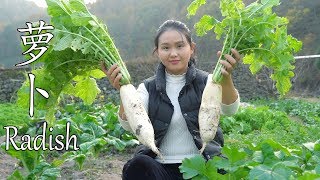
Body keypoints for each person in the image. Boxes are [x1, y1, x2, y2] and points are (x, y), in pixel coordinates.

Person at [101, 19, 241, 180]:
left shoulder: (208, 82)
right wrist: (123, 91)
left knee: (220, 170)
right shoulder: (147, 87)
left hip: (202, 167)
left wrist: (226, 77)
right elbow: (128, 125)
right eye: (166, 48)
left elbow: (230, 109)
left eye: (180, 46)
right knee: (137, 165)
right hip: (161, 170)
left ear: (192, 48)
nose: (173, 53)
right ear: (157, 52)